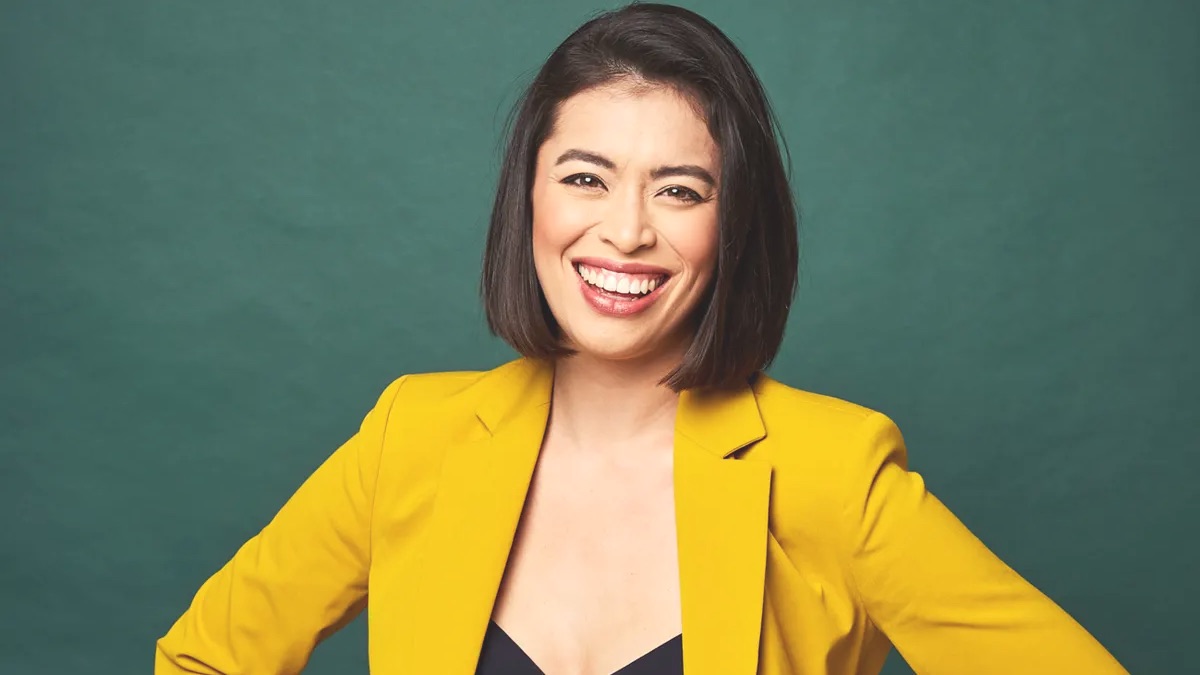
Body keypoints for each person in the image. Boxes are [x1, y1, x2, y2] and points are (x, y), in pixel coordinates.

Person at [156, 4, 1127, 674]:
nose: (625, 231)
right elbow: (202, 659)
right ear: (528, 197)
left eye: (680, 190)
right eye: (585, 177)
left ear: (732, 226)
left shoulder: (835, 473)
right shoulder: (412, 436)